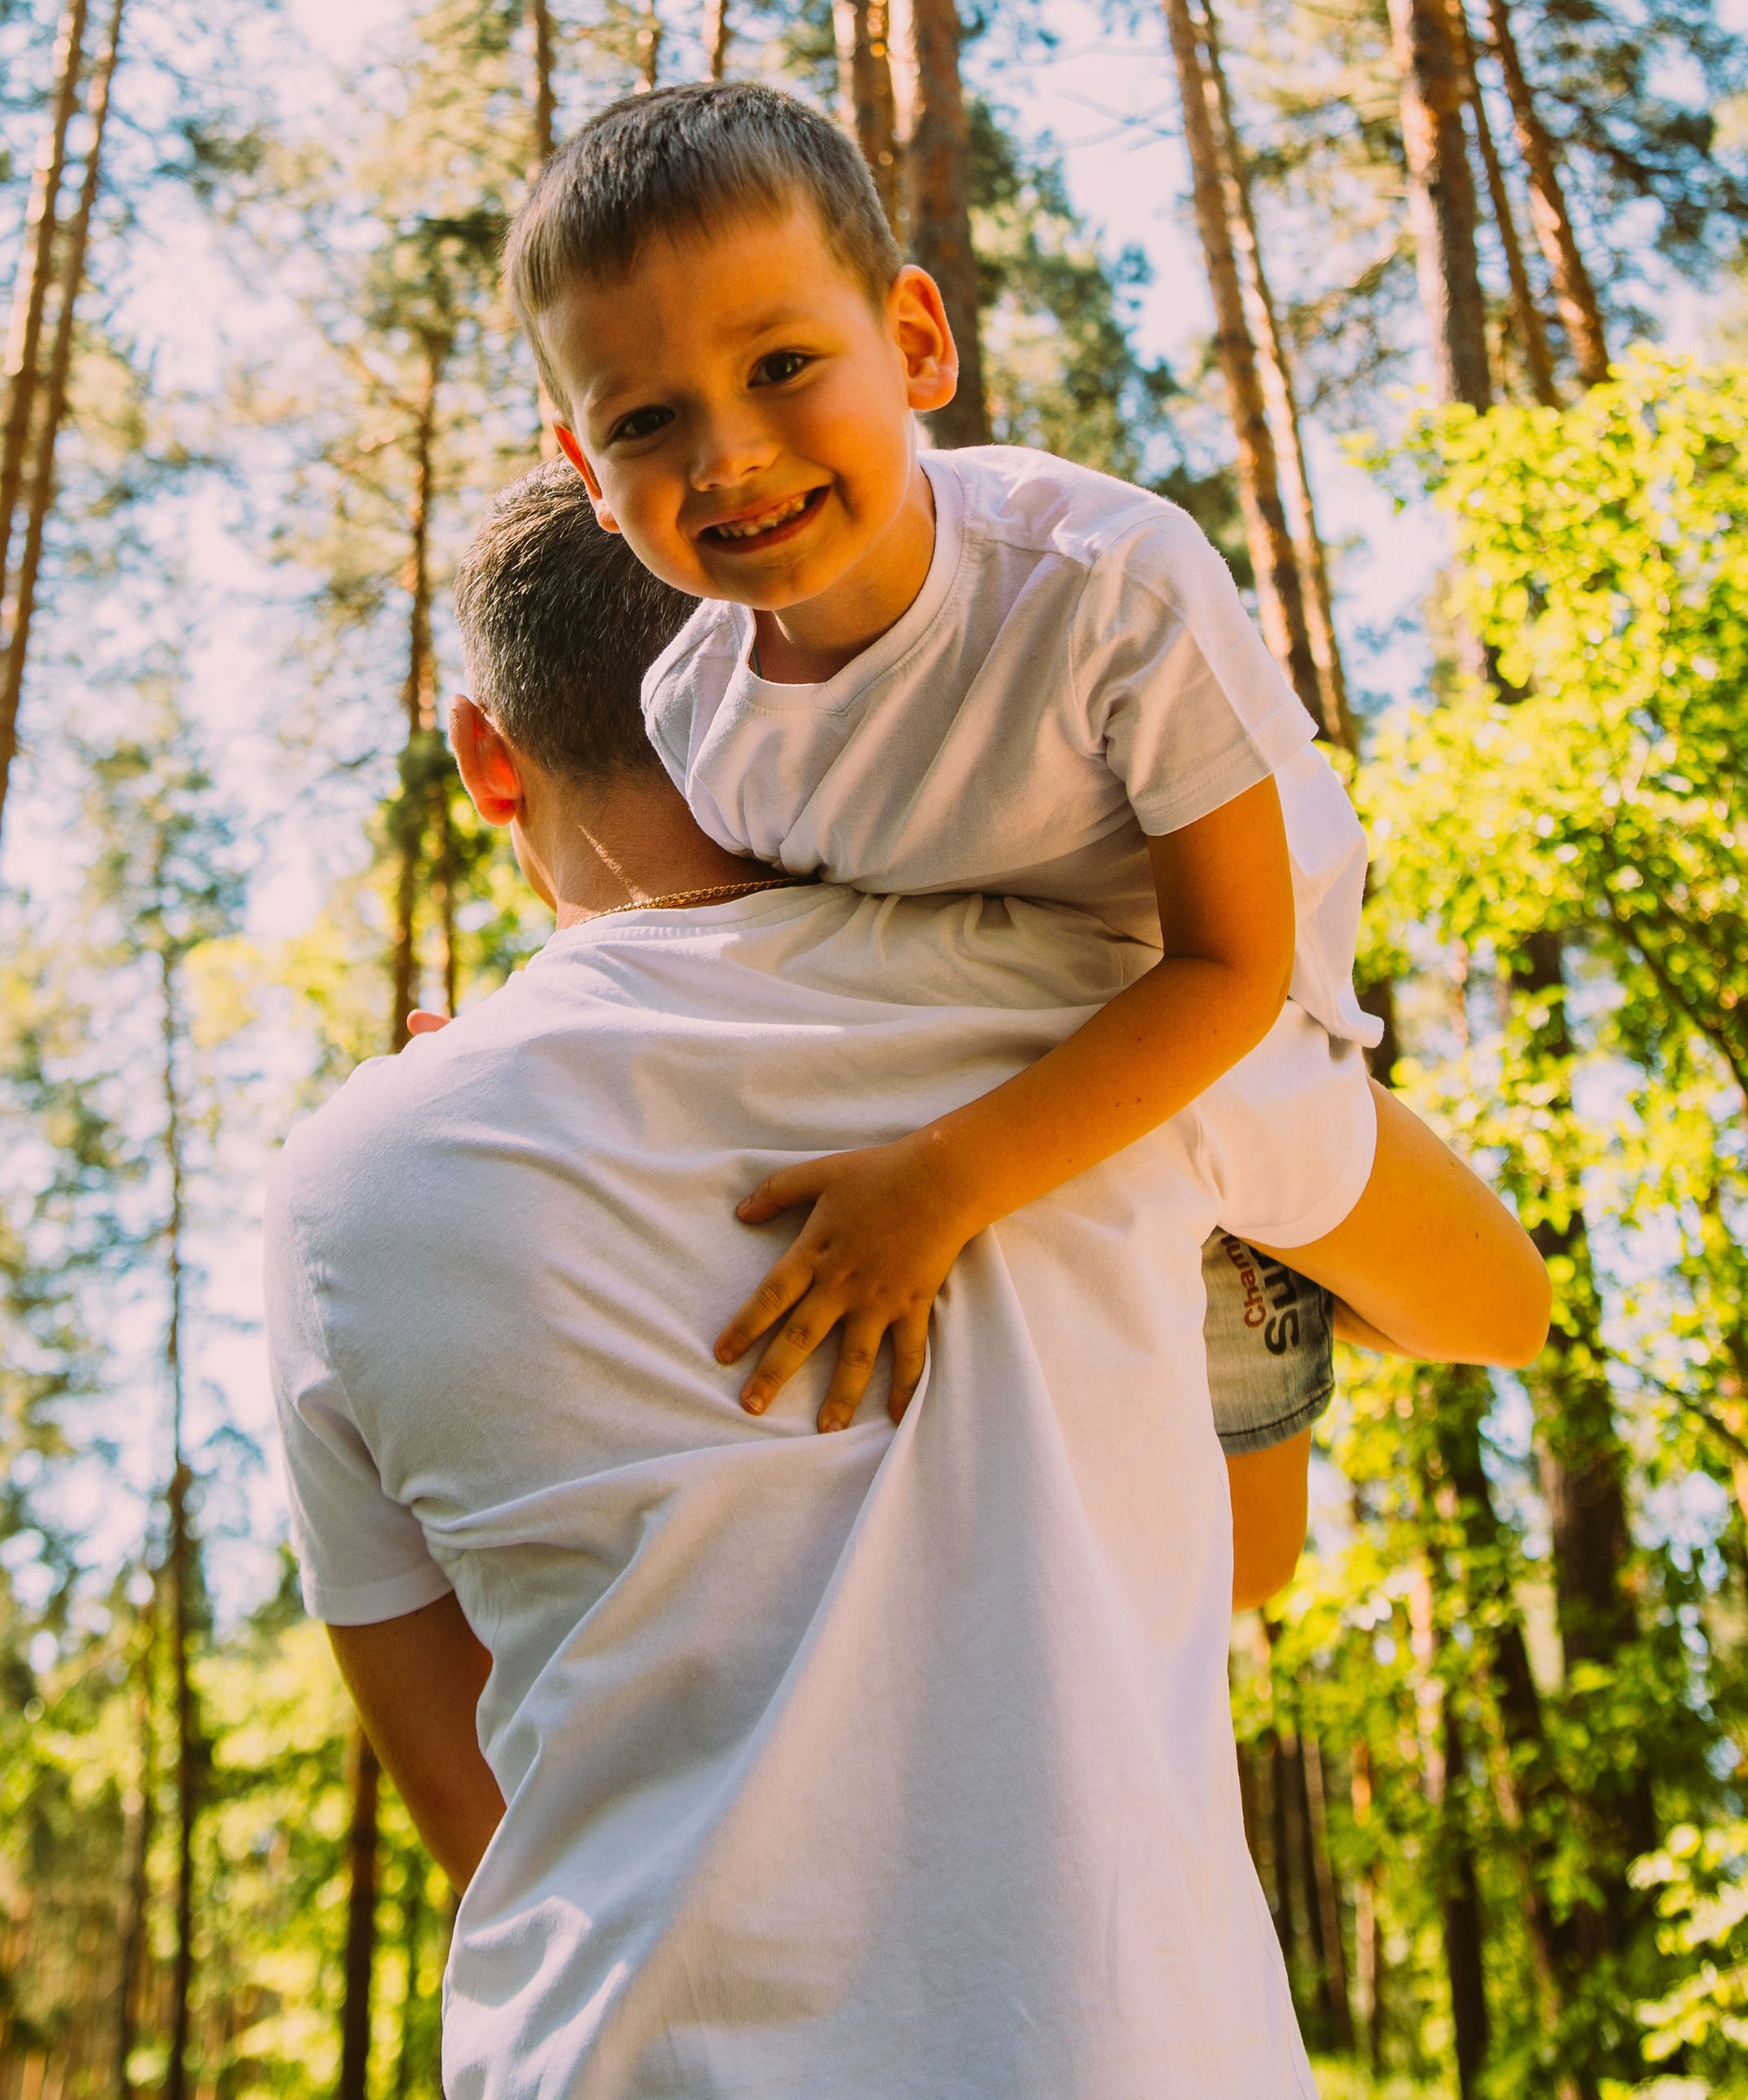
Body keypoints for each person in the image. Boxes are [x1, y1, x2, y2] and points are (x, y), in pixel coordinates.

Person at [265, 466, 1547, 2099]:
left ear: (482, 756)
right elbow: (1494, 1306)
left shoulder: (340, 1188)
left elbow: (479, 1817)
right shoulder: (1104, 1017)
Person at [506, 80, 1379, 1442]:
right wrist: (524, 1042)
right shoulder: (697, 713)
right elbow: (764, 957)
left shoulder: (1105, 584)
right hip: (975, 1083)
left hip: (1209, 1057)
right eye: (642, 423)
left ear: (915, 342)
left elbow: (1233, 970)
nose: (728, 454)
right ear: (586, 471)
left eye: (782, 367)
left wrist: (945, 1180)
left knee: (1235, 1560)